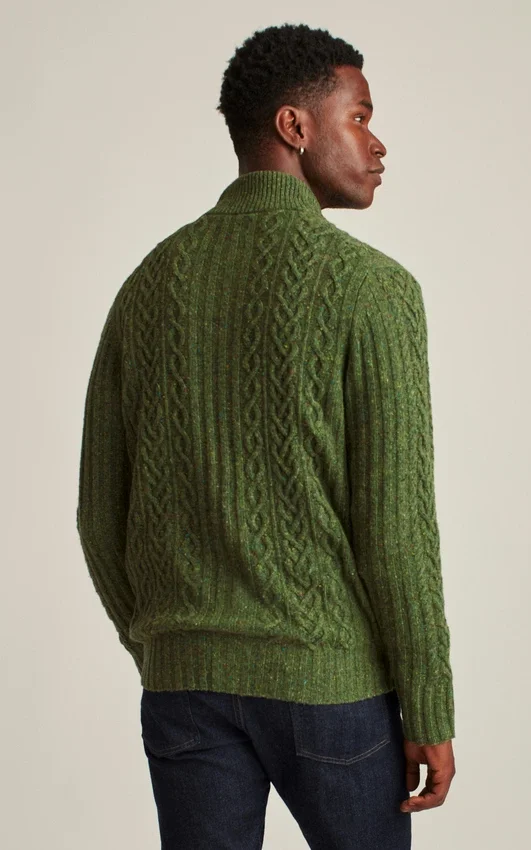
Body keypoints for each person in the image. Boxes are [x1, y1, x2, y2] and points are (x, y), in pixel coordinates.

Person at [76, 21, 456, 850]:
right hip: (331, 688)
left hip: (184, 688)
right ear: (294, 126)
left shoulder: (150, 284)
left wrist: (167, 646)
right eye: (359, 116)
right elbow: (394, 528)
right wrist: (429, 707)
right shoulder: (372, 289)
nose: (377, 143)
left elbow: (99, 513)